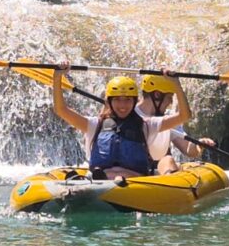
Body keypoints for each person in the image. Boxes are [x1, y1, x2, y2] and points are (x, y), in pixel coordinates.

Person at [51, 63, 191, 182]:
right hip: (103, 179)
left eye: (127, 100)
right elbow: (61, 110)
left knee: (119, 177)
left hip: (135, 182)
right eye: (117, 99)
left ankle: (109, 181)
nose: (123, 105)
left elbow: (184, 115)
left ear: (134, 101)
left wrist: (175, 83)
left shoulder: (147, 125)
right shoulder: (95, 124)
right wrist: (57, 76)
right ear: (109, 102)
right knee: (107, 176)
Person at [137, 74, 216, 174]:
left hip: (162, 170)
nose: (170, 102)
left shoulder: (169, 118)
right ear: (157, 95)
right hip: (134, 170)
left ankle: (169, 182)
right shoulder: (129, 113)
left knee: (167, 159)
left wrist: (199, 144)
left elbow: (188, 150)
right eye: (169, 97)